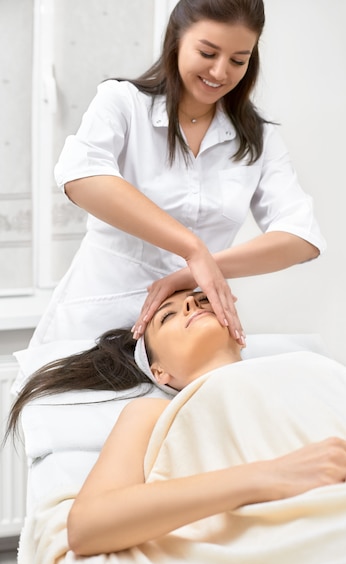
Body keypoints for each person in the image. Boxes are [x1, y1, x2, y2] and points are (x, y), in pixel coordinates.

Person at [8, 290, 346, 558]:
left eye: (203, 300)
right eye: (167, 316)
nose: (191, 305)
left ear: (239, 335)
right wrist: (271, 476)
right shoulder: (156, 414)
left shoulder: (320, 369)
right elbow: (88, 526)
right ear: (159, 371)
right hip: (299, 545)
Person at [28, 0, 326, 349]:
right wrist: (192, 249)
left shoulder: (258, 138)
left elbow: (302, 238)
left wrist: (193, 272)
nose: (220, 72)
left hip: (180, 334)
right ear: (176, 39)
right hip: (95, 318)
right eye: (207, 52)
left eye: (238, 60)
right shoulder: (123, 104)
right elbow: (80, 176)